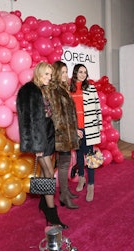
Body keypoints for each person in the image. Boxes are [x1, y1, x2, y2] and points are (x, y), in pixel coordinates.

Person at [16, 62, 67, 228]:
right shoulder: (28, 91)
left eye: (50, 75)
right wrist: (36, 145)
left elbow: (49, 115)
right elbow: (26, 121)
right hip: (40, 139)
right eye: (46, 74)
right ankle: (52, 214)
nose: (49, 78)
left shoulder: (44, 89)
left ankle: (45, 205)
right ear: (38, 73)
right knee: (49, 173)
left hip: (49, 135)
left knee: (48, 172)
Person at [48, 61, 80, 209]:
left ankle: (65, 192)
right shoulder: (55, 90)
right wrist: (64, 134)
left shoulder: (63, 88)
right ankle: (63, 195)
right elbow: (57, 116)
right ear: (56, 74)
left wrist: (74, 130)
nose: (66, 75)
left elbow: (69, 114)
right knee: (63, 164)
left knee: (64, 163)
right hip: (61, 134)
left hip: (67, 132)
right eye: (62, 72)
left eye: (66, 72)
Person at [69, 64, 103, 202]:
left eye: (85, 72)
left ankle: (91, 186)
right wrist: (73, 129)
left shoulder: (91, 88)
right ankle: (81, 179)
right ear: (75, 73)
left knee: (90, 158)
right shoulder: (69, 90)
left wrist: (98, 127)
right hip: (76, 129)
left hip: (89, 129)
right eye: (80, 72)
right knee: (79, 155)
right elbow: (69, 113)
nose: (83, 74)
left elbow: (97, 108)